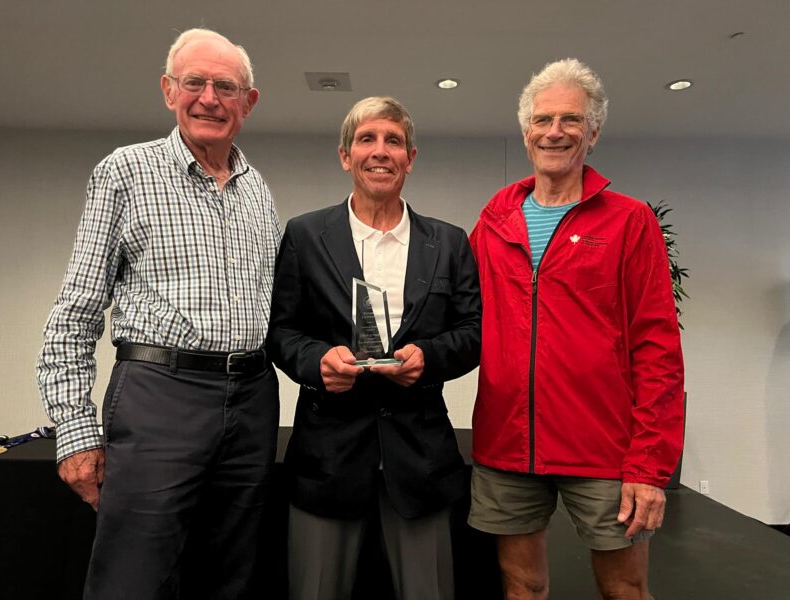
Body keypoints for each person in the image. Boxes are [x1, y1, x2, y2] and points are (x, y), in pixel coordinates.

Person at [35, 28, 280, 599]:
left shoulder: (257, 190)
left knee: (229, 577)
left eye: (226, 86)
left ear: (250, 101)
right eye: (194, 82)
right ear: (169, 90)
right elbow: (77, 308)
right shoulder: (126, 170)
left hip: (251, 398)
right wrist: (75, 430)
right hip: (158, 395)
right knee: (134, 580)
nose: (209, 98)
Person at [468, 58, 685, 600]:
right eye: (543, 120)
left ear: (593, 132)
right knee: (522, 584)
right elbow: (456, 313)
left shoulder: (629, 221)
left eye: (570, 119)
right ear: (526, 133)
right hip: (507, 445)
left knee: (625, 589)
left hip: (606, 451)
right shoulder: (495, 220)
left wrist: (650, 466)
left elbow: (658, 347)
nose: (555, 131)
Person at [268, 96, 481, 600]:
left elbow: (473, 332)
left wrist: (430, 358)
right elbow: (280, 331)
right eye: (366, 139)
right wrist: (316, 363)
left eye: (393, 141)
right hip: (328, 456)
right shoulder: (304, 235)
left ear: (410, 157)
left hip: (420, 458)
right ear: (345, 155)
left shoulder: (449, 243)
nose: (380, 151)